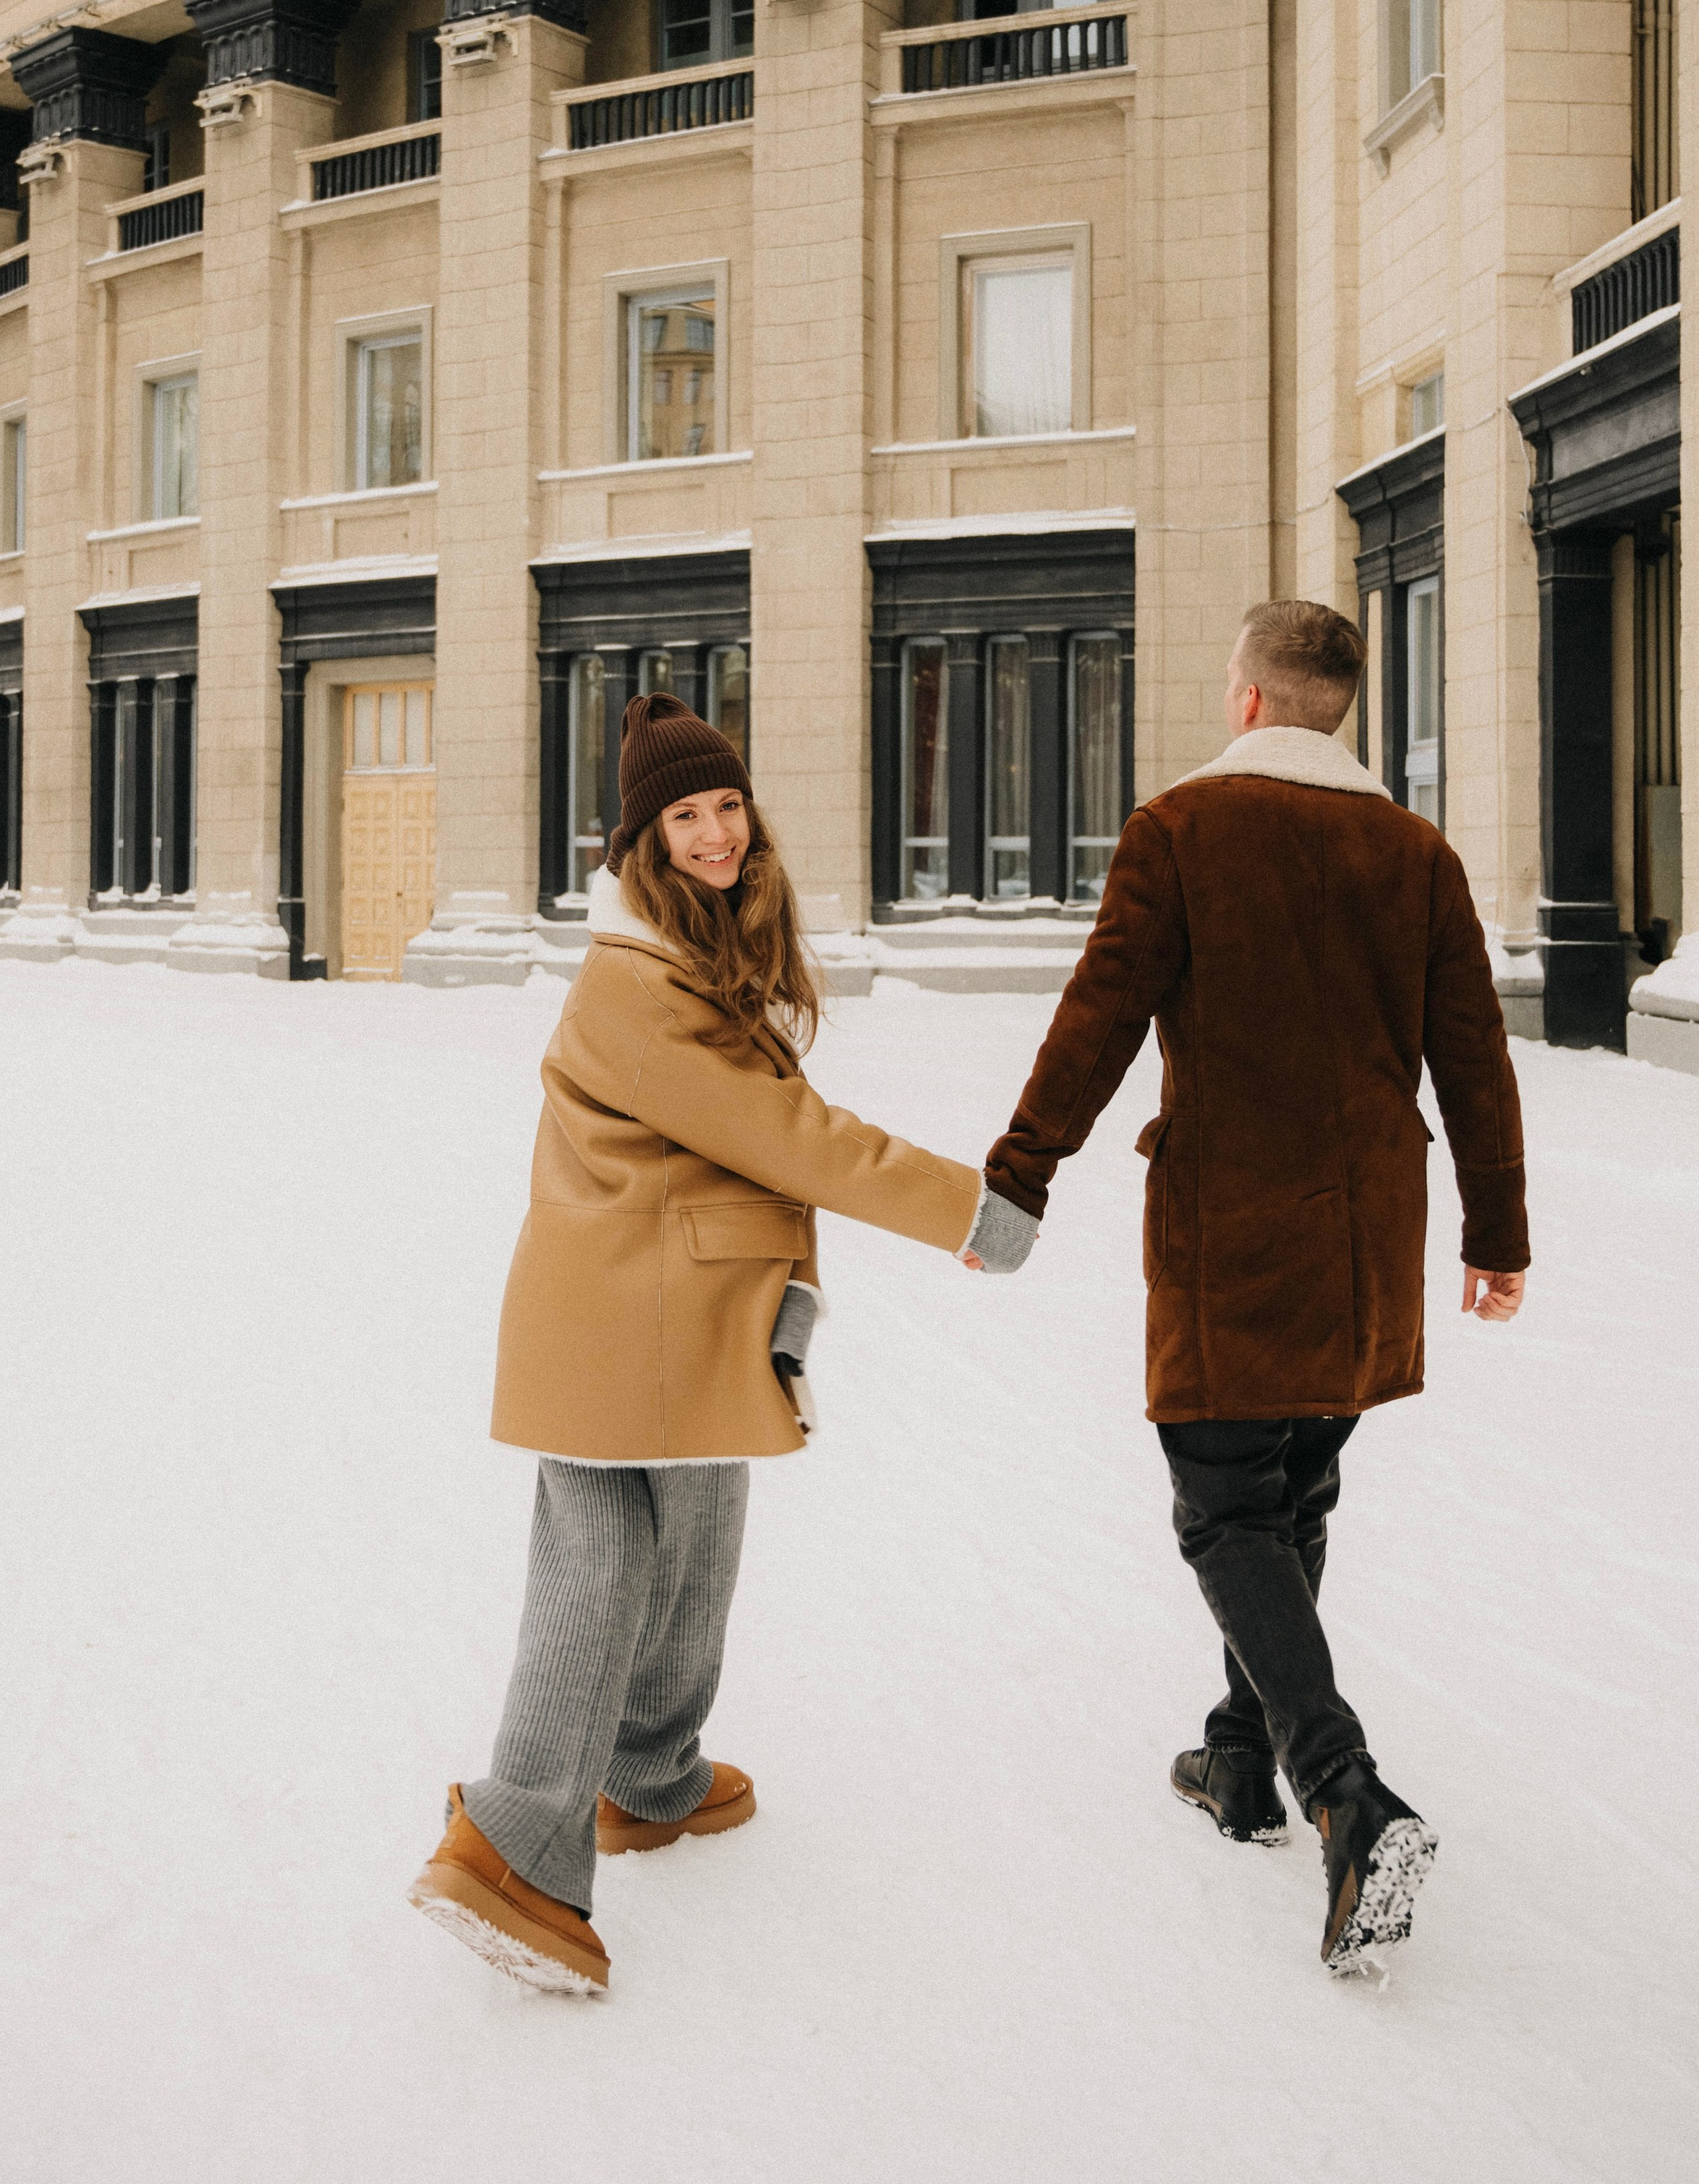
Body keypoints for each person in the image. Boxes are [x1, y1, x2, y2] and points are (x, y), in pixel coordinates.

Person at [411, 691, 1036, 1995]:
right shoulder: (636, 982)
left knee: (699, 1522)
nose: (713, 834)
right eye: (684, 815)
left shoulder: (690, 953)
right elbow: (788, 1136)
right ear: (643, 842)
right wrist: (964, 1209)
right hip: (617, 1310)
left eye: (726, 807)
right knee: (602, 1554)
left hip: (670, 1301)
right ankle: (511, 1842)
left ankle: (649, 1773)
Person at [984, 600, 1529, 1976]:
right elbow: (1475, 1057)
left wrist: (1021, 1171)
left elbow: (1100, 1016)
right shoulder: (1416, 851)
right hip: (1365, 1239)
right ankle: (1239, 1762)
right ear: (1335, 710)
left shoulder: (1181, 832)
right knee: (1293, 1494)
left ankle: (1344, 1793)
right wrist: (1496, 1234)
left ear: (1246, 702)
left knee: (1225, 1506)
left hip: (1231, 1227)